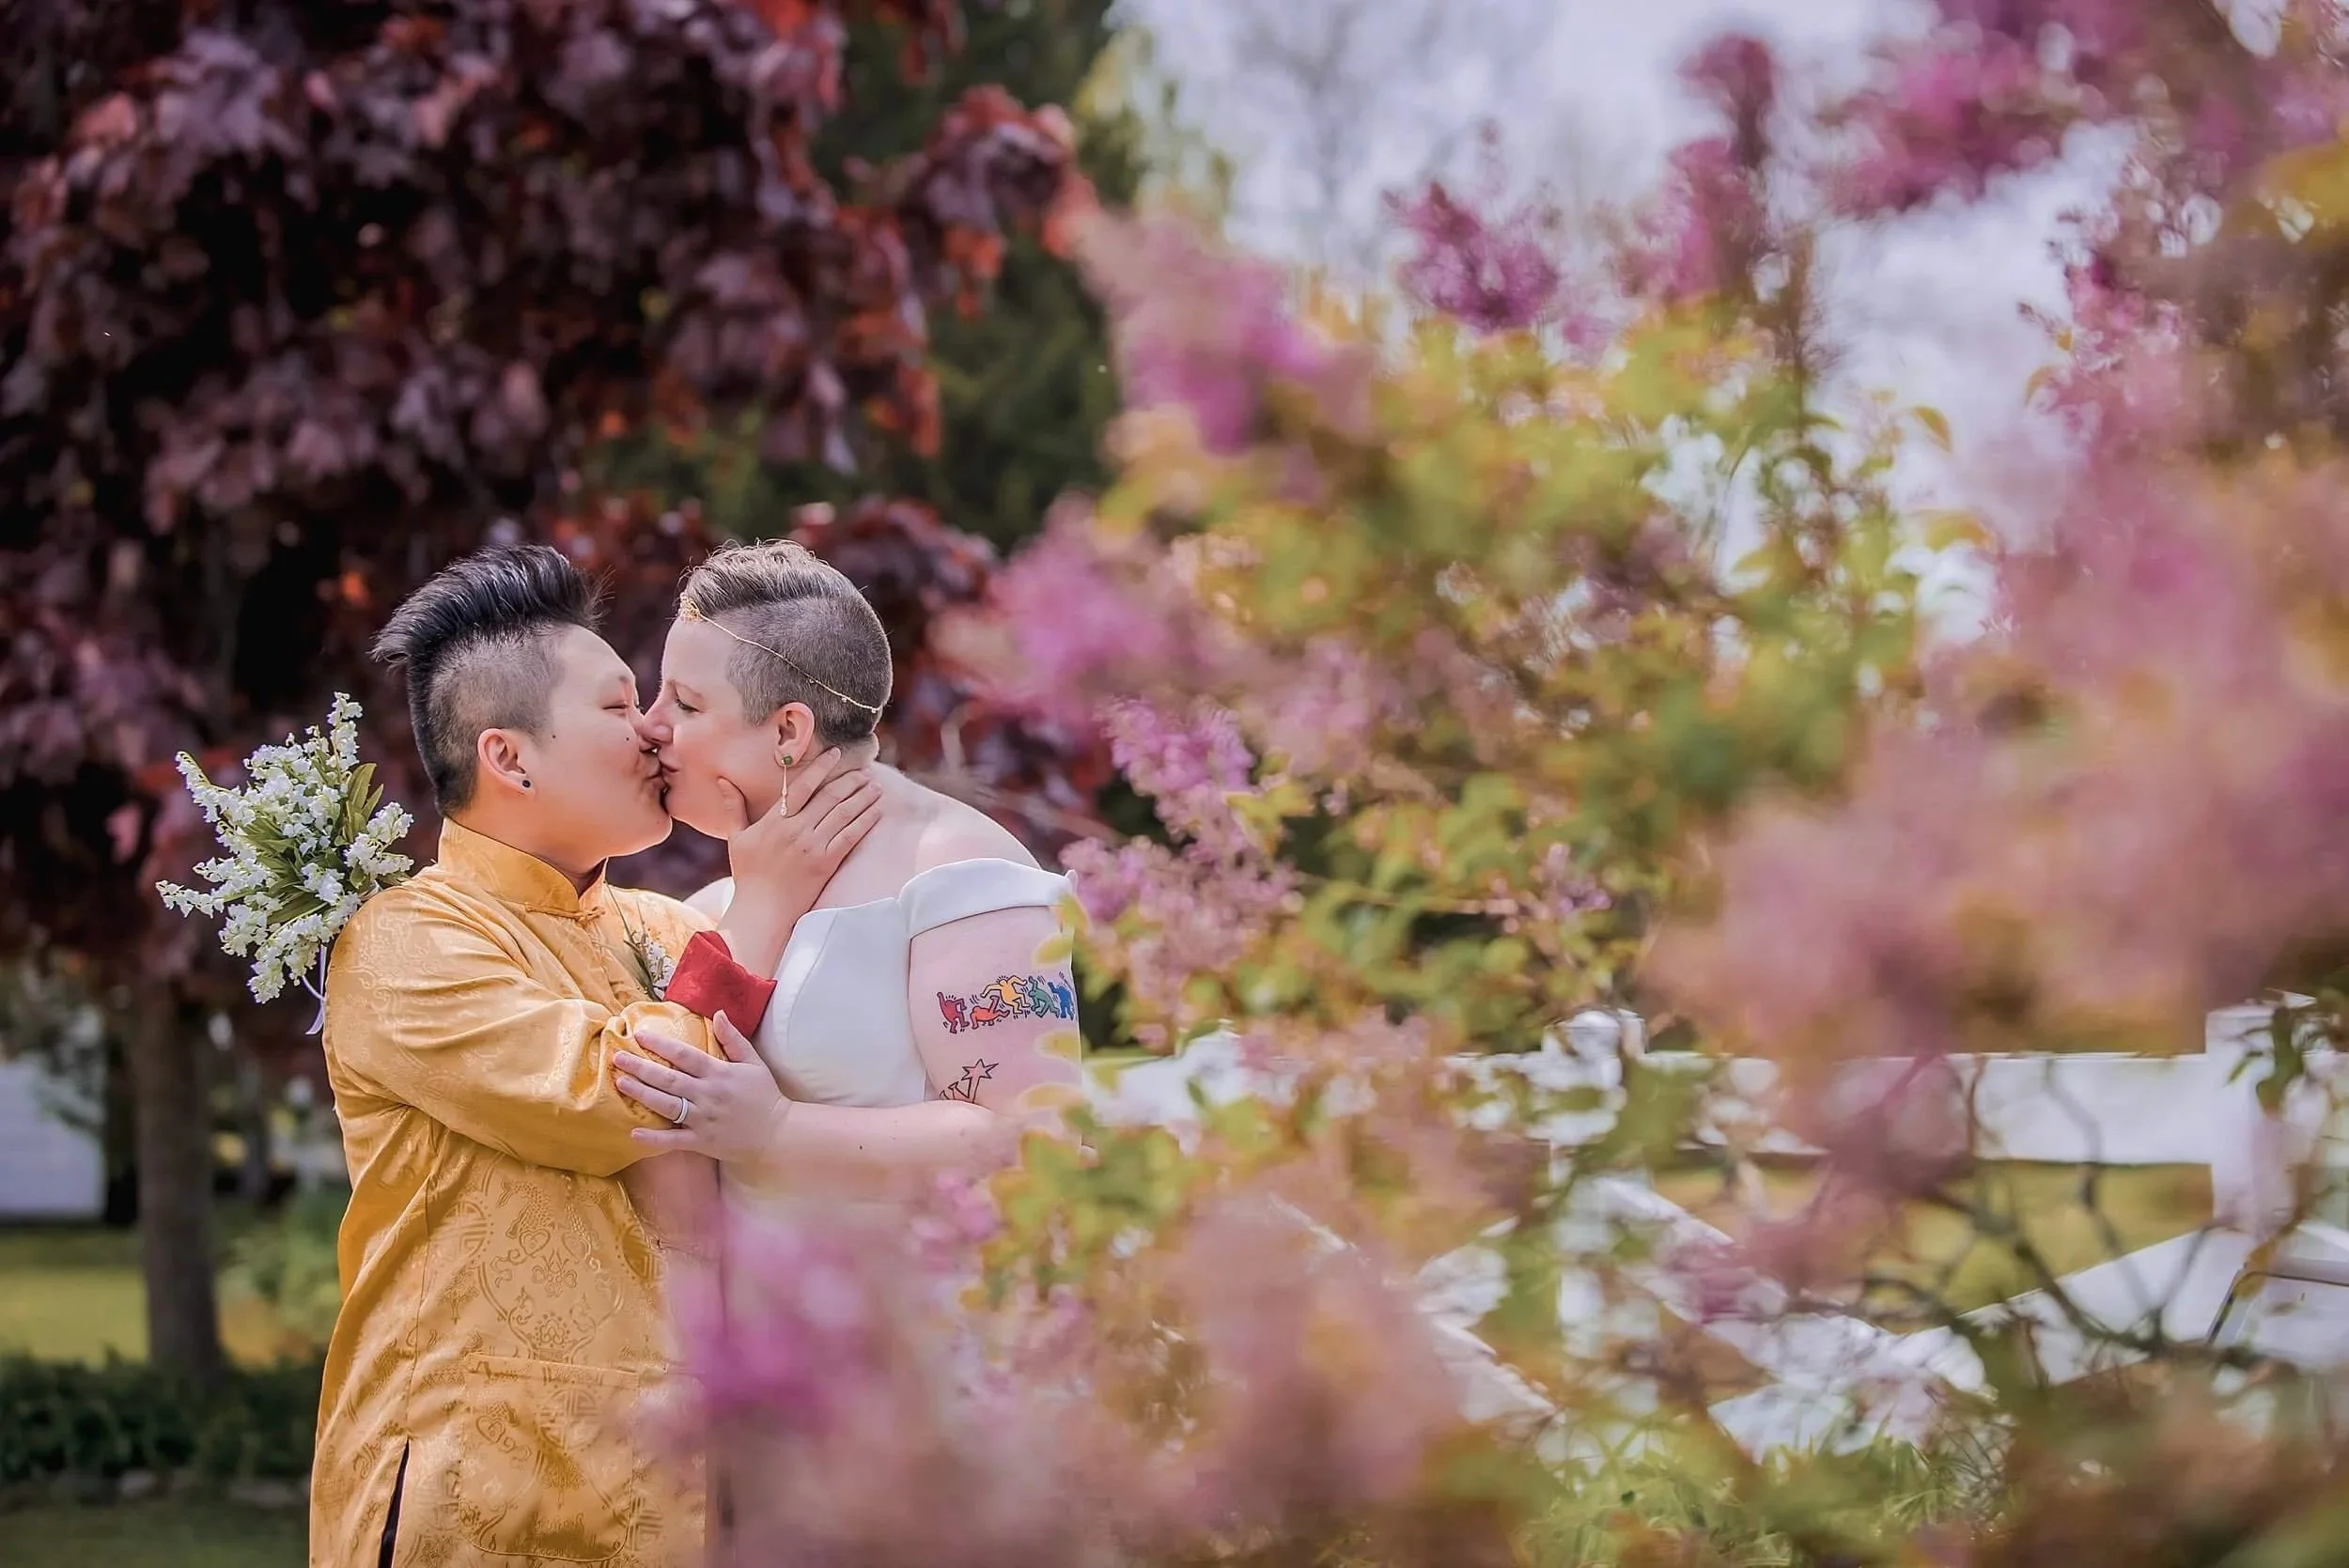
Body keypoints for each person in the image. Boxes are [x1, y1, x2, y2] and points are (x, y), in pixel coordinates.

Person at [309, 544, 879, 1568]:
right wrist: (767, 906)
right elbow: (622, 1095)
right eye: (620, 708)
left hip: (674, 1497)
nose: (657, 730)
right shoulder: (402, 943)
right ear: (510, 758)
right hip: (474, 1494)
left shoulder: (666, 927)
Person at [614, 539, 1085, 1200]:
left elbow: (1040, 1139)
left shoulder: (961, 869)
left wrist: (778, 1129)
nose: (650, 725)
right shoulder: (720, 901)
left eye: (685, 704)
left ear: (787, 733)